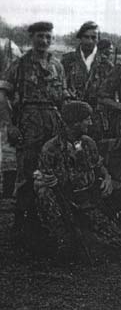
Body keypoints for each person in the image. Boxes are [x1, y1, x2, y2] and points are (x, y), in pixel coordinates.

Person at [33, 101, 121, 259]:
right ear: (75, 122)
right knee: (44, 193)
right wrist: (49, 182)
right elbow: (40, 180)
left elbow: (99, 166)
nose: (90, 122)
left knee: (118, 241)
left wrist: (107, 177)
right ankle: (61, 236)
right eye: (86, 119)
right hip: (63, 202)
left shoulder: (88, 143)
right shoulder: (50, 148)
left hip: (87, 200)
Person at [5, 21, 69, 233]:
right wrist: (10, 126)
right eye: (40, 36)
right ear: (32, 38)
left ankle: (46, 219)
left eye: (48, 37)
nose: (45, 41)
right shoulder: (20, 64)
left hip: (53, 120)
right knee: (27, 170)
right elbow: (3, 95)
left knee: (52, 169)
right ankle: (22, 222)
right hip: (29, 122)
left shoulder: (57, 65)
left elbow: (63, 97)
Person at [61, 21, 114, 140]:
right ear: (80, 38)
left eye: (93, 37)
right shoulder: (67, 61)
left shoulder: (107, 65)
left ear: (98, 39)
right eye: (86, 37)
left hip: (97, 119)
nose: (90, 41)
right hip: (73, 119)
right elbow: (60, 88)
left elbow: (110, 95)